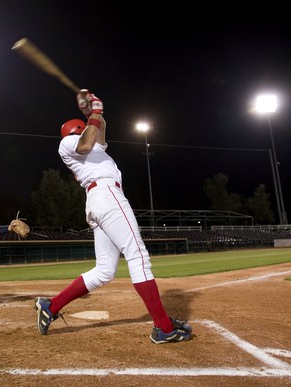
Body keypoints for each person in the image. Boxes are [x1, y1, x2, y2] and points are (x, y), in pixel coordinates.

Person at [34, 89, 192, 344]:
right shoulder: (69, 144)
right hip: (106, 195)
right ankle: (163, 328)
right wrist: (94, 113)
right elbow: (86, 142)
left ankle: (51, 306)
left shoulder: (96, 147)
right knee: (138, 255)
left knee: (105, 271)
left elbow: (99, 132)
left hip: (100, 201)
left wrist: (93, 112)